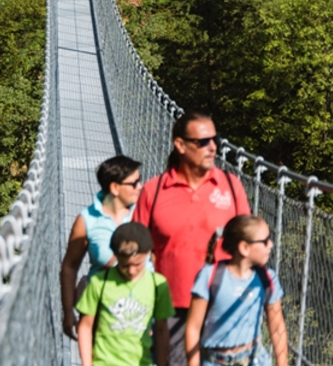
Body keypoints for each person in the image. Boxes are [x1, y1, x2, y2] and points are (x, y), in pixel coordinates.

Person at [133, 112, 251, 366]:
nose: (213, 147)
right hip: (174, 307)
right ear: (180, 145)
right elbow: (135, 252)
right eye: (203, 141)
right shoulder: (154, 192)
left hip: (225, 305)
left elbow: (249, 246)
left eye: (215, 139)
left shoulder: (231, 186)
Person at [185, 216, 288, 366]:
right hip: (215, 361)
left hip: (255, 360)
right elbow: (193, 327)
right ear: (244, 248)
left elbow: (277, 327)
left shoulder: (267, 279)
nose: (271, 245)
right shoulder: (210, 277)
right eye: (265, 241)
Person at [62, 155, 145, 338]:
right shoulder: (87, 220)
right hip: (99, 314)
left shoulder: (144, 214)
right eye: (134, 183)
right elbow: (69, 266)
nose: (140, 187)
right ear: (115, 188)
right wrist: (68, 312)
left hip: (139, 313)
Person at [76, 222, 175, 366]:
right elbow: (85, 325)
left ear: (148, 254)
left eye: (137, 264)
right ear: (115, 255)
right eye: (124, 265)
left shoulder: (157, 285)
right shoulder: (100, 282)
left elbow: (161, 329)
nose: (131, 271)